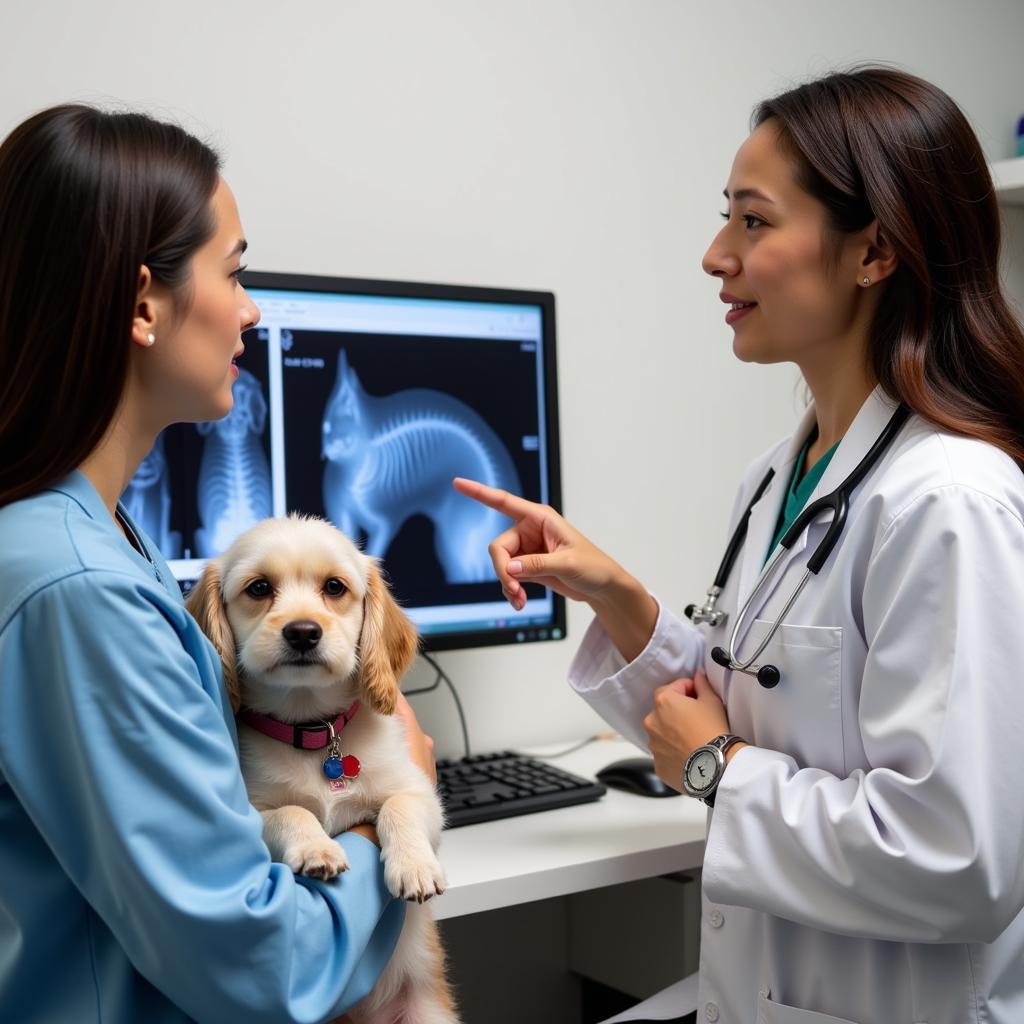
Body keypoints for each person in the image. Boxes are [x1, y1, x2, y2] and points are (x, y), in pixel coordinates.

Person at [455, 65, 1024, 1024]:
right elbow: (759, 717)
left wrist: (718, 769)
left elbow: (959, 859)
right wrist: (625, 606)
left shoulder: (952, 502)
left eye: (753, 222)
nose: (716, 255)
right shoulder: (779, 476)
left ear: (872, 251)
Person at [0, 103, 437, 1024]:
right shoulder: (77, 591)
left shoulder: (86, 535)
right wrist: (403, 813)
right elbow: (258, 967)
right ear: (142, 304)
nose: (252, 310)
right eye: (234, 273)